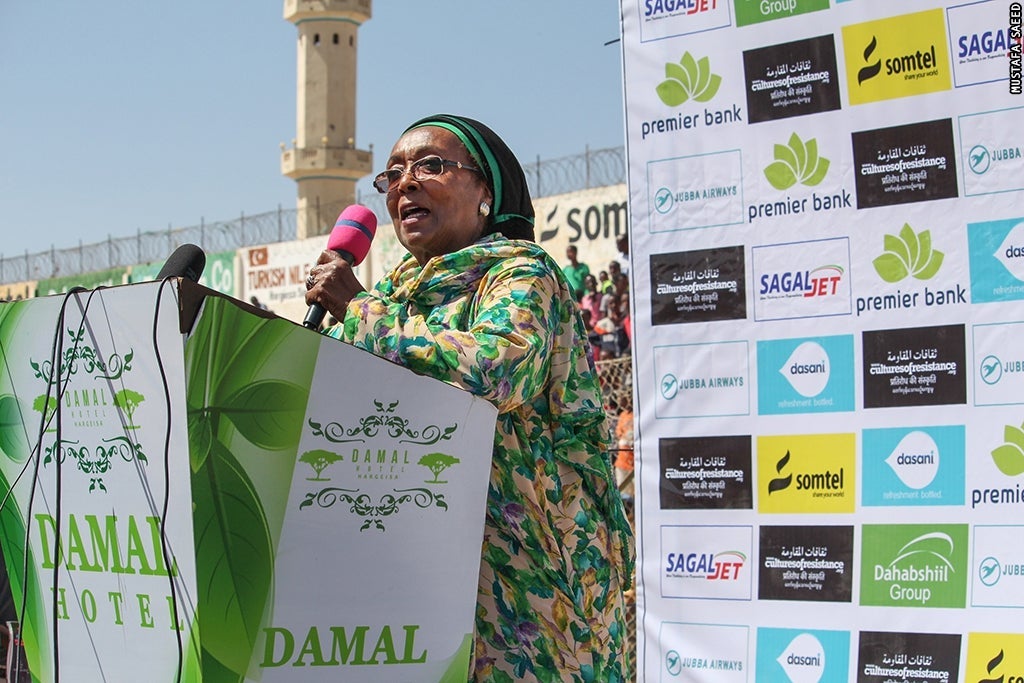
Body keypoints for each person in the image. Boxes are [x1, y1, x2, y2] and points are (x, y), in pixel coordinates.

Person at [305, 114, 633, 682]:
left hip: (530, 574)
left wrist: (358, 313)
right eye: (393, 174)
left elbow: (497, 369)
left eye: (431, 165)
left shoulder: (522, 274)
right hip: (417, 577)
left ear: (486, 191)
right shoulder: (390, 295)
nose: (405, 183)